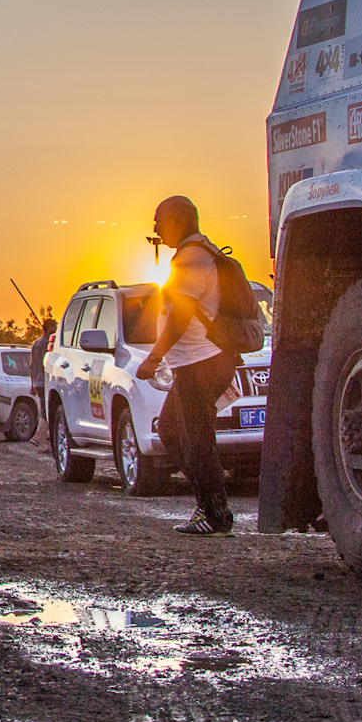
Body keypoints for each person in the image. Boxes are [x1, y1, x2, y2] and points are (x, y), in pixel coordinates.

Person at [133, 197, 239, 536]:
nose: (155, 229)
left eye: (158, 220)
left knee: (196, 440)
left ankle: (215, 513)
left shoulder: (191, 258)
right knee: (171, 431)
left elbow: (180, 316)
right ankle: (210, 503)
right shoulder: (199, 253)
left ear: (179, 220)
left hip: (201, 363)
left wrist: (153, 358)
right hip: (199, 363)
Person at [27, 315, 56, 420]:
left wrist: (32, 383)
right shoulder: (45, 344)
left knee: (43, 407)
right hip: (44, 381)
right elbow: (47, 364)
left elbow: (32, 365)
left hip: (38, 382)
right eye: (54, 328)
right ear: (50, 329)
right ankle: (46, 431)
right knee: (47, 409)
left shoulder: (36, 343)